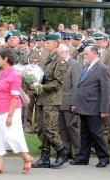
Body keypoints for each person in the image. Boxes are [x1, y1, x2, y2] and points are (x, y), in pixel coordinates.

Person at [0, 48, 32, 174]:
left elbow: (14, 97)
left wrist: (10, 116)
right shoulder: (2, 72)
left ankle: (27, 158)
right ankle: (0, 165)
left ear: (5, 59)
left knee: (11, 136)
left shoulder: (15, 76)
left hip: (10, 110)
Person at [31, 33, 68, 169]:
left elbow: (58, 83)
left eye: (47, 43)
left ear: (55, 44)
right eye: (44, 43)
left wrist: (42, 86)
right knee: (40, 128)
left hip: (52, 100)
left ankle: (62, 151)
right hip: (42, 98)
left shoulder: (60, 60)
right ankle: (44, 156)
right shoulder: (47, 58)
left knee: (50, 129)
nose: (45, 44)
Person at [70, 46, 110, 167]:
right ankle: (83, 157)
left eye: (86, 54)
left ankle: (104, 157)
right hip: (84, 106)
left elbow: (106, 90)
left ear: (94, 53)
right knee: (85, 133)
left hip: (94, 107)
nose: (84, 56)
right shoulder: (87, 67)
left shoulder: (102, 68)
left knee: (96, 133)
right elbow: (80, 86)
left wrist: (104, 109)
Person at [57, 44, 81, 160]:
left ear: (65, 52)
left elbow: (77, 85)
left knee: (72, 126)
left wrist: (74, 102)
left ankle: (79, 151)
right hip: (59, 100)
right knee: (62, 128)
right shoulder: (59, 63)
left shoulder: (74, 64)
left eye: (59, 53)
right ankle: (66, 152)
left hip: (69, 100)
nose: (58, 55)